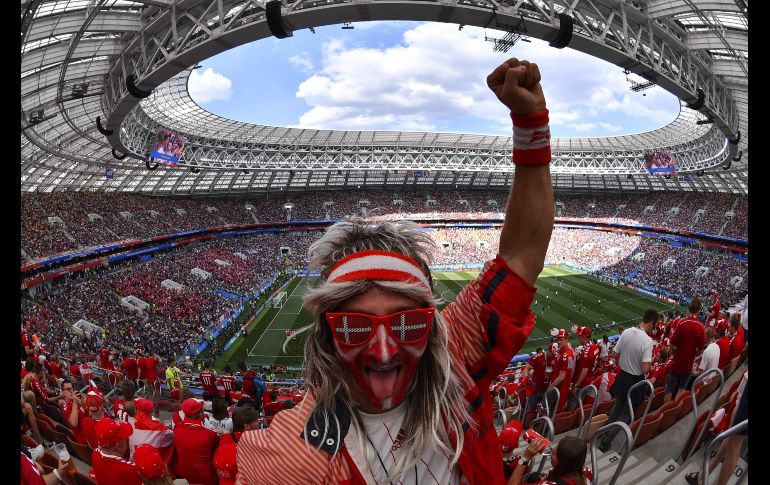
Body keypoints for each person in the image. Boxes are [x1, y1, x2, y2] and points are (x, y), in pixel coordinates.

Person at [237, 56, 552, 484]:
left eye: (408, 325)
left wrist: (531, 123)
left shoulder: (451, 355)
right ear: (328, 334)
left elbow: (521, 253)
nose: (384, 352)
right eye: (353, 327)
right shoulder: (292, 458)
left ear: (432, 326)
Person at [597, 309, 654, 452]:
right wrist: (651, 362)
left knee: (617, 408)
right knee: (625, 414)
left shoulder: (627, 331)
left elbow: (615, 354)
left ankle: (603, 433)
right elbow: (646, 369)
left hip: (623, 377)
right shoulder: (647, 341)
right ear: (651, 322)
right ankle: (606, 441)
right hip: (635, 380)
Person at [665, 297, 707, 404]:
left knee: (669, 390)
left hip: (677, 362)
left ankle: (664, 410)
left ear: (689, 309)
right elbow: (701, 350)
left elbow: (672, 342)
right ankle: (672, 411)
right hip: (688, 365)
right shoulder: (701, 327)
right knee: (682, 389)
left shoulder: (682, 323)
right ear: (699, 311)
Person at [172, 398, 220, 485]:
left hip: (183, 475)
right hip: (205, 479)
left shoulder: (177, 429)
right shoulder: (209, 434)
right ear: (200, 413)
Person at [508, 435, 589, 485]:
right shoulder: (587, 472)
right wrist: (549, 478)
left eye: (553, 454)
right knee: (534, 476)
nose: (551, 451)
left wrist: (525, 458)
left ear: (562, 463)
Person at [91, 418, 141, 485]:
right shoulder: (131, 470)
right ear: (119, 445)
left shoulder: (95, 454)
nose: (126, 439)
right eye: (124, 437)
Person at [547, 329, 575, 414]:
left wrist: (550, 387)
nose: (559, 342)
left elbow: (562, 377)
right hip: (557, 387)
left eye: (561, 339)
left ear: (567, 339)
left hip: (558, 389)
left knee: (551, 411)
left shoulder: (567, 354)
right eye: (558, 339)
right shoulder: (561, 351)